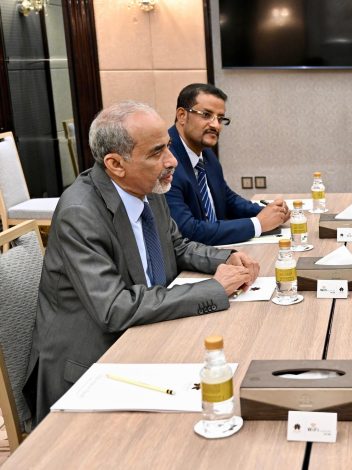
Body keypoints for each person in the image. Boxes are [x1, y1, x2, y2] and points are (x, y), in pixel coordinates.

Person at [23, 101, 260, 425]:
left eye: (168, 147)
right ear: (115, 164)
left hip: (146, 337)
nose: (172, 160)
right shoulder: (81, 213)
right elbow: (114, 308)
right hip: (93, 366)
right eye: (157, 152)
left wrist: (226, 257)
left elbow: (176, 245)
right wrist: (213, 288)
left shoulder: (149, 187)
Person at [165, 83, 290, 246]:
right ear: (182, 115)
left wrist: (271, 212)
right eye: (206, 115)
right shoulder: (166, 160)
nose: (216, 125)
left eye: (220, 118)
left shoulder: (206, 153)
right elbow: (188, 230)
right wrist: (257, 224)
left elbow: (227, 199)